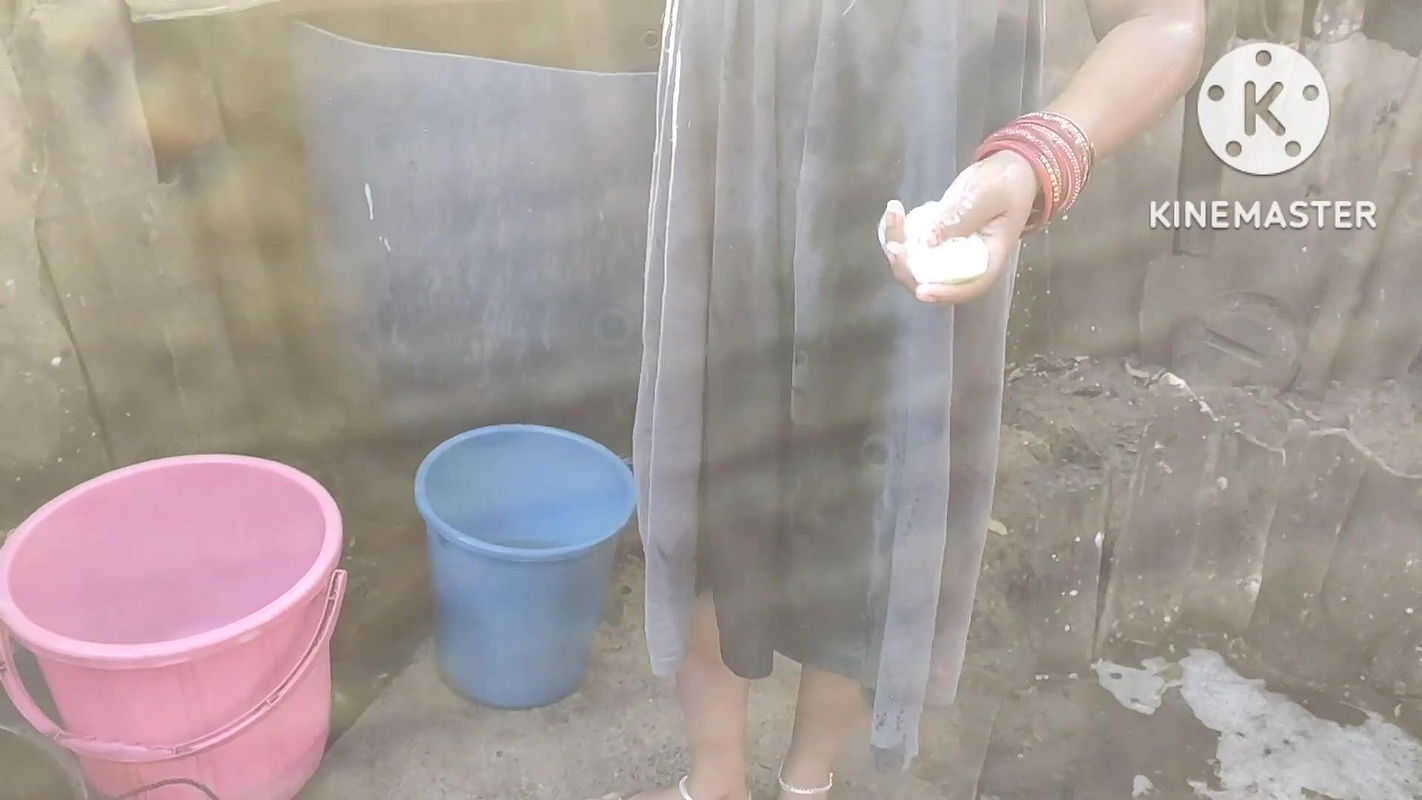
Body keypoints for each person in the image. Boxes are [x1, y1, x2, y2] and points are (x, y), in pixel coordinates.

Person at [615, 1, 1206, 798]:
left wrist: (1036, 157)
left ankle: (808, 782)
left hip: (925, 193)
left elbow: (1164, 18)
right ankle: (714, 779)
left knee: (880, 507)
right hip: (726, 182)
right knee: (711, 479)